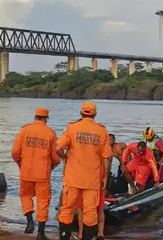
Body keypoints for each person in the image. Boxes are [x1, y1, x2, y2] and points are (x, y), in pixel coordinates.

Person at [56, 101, 112, 240]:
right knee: (90, 212)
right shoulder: (102, 131)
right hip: (92, 180)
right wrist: (105, 178)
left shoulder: (72, 128)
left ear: (81, 113)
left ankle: (64, 237)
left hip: (72, 178)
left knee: (67, 208)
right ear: (95, 114)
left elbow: (57, 148)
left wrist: (65, 157)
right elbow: (106, 157)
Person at [12, 108, 60, 240]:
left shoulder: (24, 130)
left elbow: (15, 152)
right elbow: (55, 158)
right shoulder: (50, 133)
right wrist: (52, 166)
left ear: (35, 117)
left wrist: (21, 164)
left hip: (26, 171)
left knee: (25, 195)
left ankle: (29, 221)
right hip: (43, 174)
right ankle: (40, 233)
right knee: (43, 201)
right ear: (46, 119)